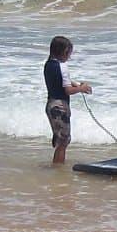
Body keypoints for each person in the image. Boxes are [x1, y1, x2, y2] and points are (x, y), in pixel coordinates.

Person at [42, 35, 92, 165]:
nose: (69, 56)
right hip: (60, 106)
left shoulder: (48, 64)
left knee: (60, 140)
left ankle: (56, 167)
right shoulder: (63, 66)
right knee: (64, 141)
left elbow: (61, 82)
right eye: (69, 52)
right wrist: (81, 88)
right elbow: (67, 91)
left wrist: (75, 84)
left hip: (50, 105)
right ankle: (58, 171)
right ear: (64, 52)